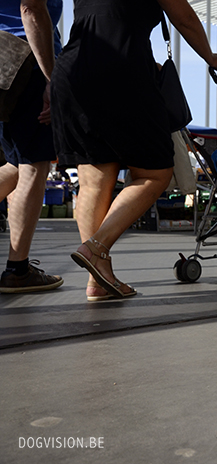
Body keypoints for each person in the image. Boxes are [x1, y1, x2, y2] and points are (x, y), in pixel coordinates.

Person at [51, 0, 217, 301]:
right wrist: (210, 57)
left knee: (94, 181)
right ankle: (96, 248)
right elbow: (183, 17)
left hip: (73, 70)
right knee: (155, 172)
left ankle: (98, 280)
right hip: (121, 69)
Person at [0, 0, 64, 294]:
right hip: (26, 59)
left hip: (3, 63)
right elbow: (32, 8)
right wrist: (51, 78)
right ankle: (17, 270)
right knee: (33, 165)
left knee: (14, 164)